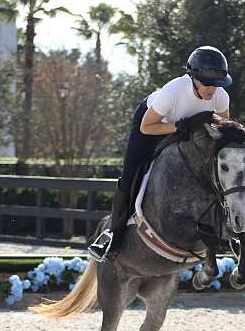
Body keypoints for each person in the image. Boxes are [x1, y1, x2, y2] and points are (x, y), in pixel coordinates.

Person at [88, 46, 233, 262]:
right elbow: (147, 127)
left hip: (187, 130)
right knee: (130, 177)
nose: (212, 90)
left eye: (217, 84)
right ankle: (112, 238)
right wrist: (182, 126)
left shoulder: (220, 97)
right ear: (193, 77)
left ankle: (227, 228)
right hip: (151, 126)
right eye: (207, 83)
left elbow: (221, 131)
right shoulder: (173, 92)